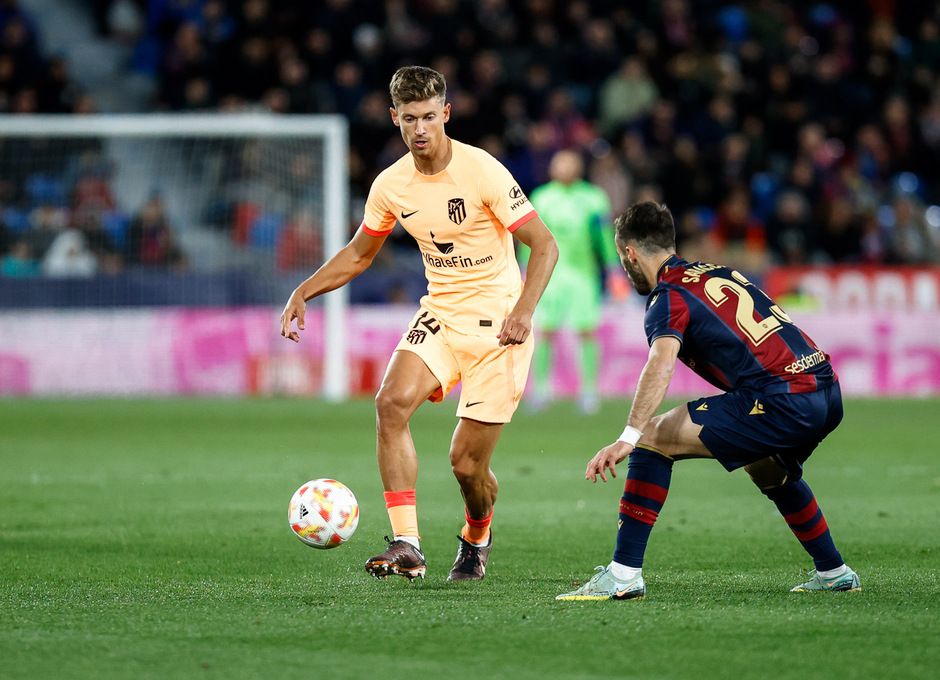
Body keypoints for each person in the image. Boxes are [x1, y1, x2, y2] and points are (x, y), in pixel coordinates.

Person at [280, 66, 558, 581]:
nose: (421, 128)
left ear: (446, 113)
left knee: (466, 467)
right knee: (389, 405)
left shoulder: (483, 172)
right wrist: (303, 292)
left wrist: (523, 312)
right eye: (410, 119)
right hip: (441, 313)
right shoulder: (391, 185)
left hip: (498, 327)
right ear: (395, 119)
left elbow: (544, 245)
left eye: (430, 116)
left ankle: (477, 533)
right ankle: (407, 543)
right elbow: (360, 255)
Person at [556, 202, 859, 600]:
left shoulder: (668, 296)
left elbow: (660, 363)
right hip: (826, 389)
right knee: (767, 467)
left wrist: (627, 436)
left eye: (621, 256)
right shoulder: (719, 272)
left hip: (784, 398)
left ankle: (623, 574)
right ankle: (834, 571)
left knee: (652, 437)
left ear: (629, 253)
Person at [521, 149, 626, 413]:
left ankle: (589, 391)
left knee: (586, 330)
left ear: (578, 167)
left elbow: (604, 236)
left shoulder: (593, 198)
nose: (564, 167)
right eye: (559, 163)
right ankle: (541, 389)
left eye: (569, 163)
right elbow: (530, 238)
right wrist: (524, 268)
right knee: (545, 330)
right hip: (549, 275)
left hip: (583, 274)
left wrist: (614, 269)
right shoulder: (542, 197)